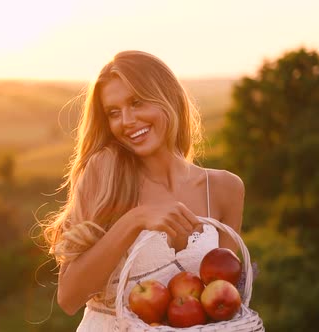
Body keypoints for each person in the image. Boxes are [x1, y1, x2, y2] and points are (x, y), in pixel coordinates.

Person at [40, 50, 245, 330]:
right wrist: (135, 220)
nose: (126, 121)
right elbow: (69, 297)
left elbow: (223, 300)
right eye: (114, 113)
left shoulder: (225, 188)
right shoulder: (105, 174)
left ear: (169, 97)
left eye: (136, 103)